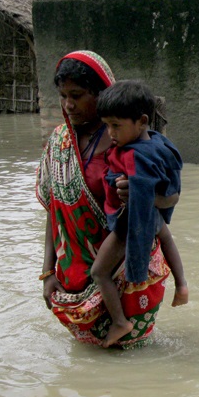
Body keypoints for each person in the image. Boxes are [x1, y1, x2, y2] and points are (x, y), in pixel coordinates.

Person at [36, 51, 173, 348]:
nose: (68, 104)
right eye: (63, 96)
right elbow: (54, 211)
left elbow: (167, 200)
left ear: (100, 93)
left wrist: (138, 194)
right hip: (75, 279)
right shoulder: (59, 143)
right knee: (91, 361)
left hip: (128, 269)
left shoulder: (128, 140)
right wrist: (47, 272)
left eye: (78, 95)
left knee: (133, 358)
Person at [91, 80, 187, 348]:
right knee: (166, 236)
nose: (110, 132)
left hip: (132, 223)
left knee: (99, 272)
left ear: (142, 121)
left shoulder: (135, 156)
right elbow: (171, 193)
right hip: (155, 216)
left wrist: (135, 267)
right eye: (107, 125)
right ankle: (182, 285)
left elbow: (141, 197)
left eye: (116, 125)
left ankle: (121, 322)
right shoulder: (159, 143)